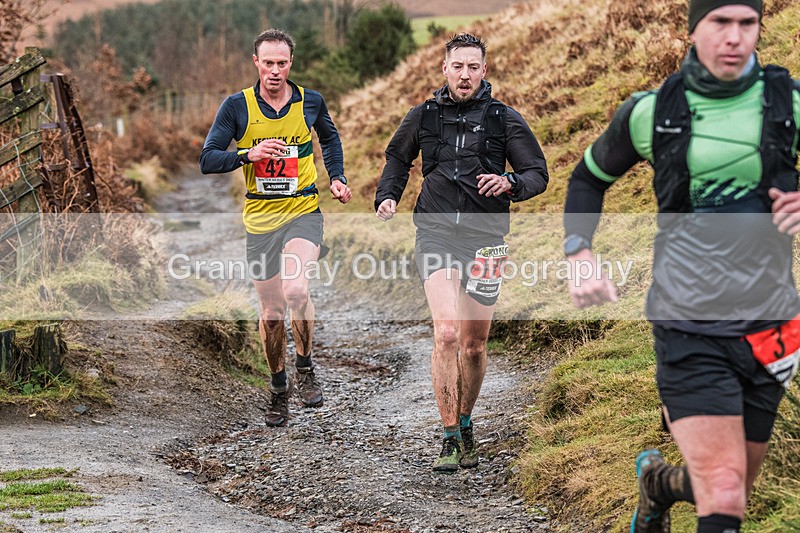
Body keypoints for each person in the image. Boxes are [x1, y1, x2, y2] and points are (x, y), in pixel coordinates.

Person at [563, 1, 800, 532]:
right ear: (693, 28)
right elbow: (588, 178)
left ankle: (657, 486)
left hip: (772, 324)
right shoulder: (652, 112)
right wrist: (580, 252)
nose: (734, 37)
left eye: (747, 23)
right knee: (724, 487)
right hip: (688, 323)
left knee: (732, 481)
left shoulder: (788, 103)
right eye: (720, 22)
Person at [375, 33, 549, 473]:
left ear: (484, 71)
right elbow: (397, 158)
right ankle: (449, 435)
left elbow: (537, 173)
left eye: (474, 67)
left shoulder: (503, 119)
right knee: (447, 334)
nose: (465, 74)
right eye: (458, 66)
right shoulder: (424, 115)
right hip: (435, 235)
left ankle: (468, 422)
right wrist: (388, 195)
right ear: (445, 69)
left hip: (487, 240)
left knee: (473, 345)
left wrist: (510, 183)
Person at [200, 28, 351, 427]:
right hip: (260, 220)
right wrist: (248, 154)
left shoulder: (310, 101)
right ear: (256, 63)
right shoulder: (237, 107)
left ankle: (305, 368)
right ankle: (278, 387)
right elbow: (208, 159)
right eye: (268, 62)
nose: (275, 70)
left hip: (303, 211)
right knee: (270, 314)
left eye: (282, 63)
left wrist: (336, 177)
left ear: (290, 63)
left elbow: (330, 140)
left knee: (297, 290)